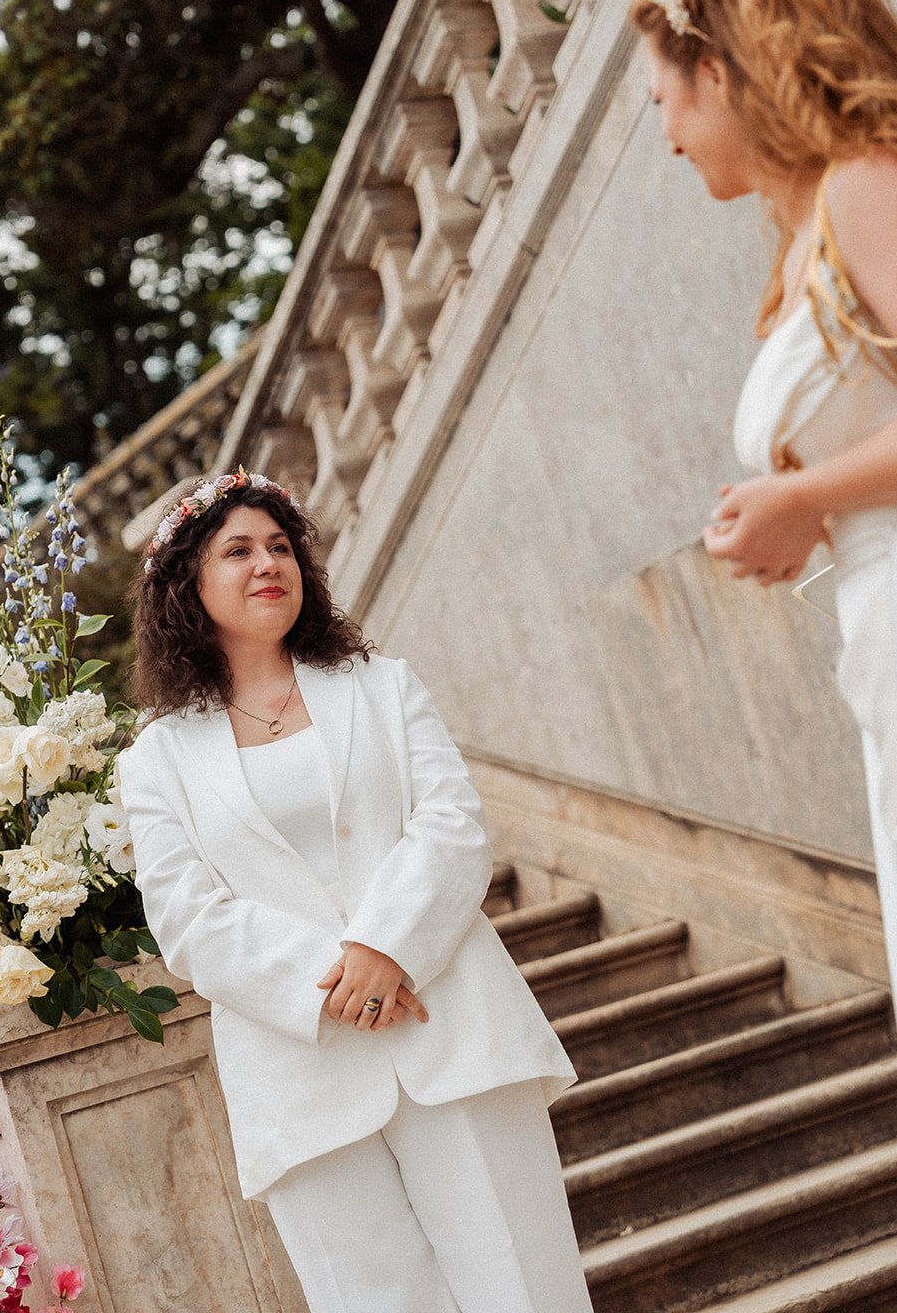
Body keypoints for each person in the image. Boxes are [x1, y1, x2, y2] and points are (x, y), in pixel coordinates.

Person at [630, 0, 897, 1312]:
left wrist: (805, 497)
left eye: (666, 97)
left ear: (720, 71)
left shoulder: (866, 184)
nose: (665, 134)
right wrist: (805, 509)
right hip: (893, 640)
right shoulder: (798, 240)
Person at [118, 468, 592, 1313]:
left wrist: (386, 947)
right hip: (297, 1072)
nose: (269, 563)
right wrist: (335, 977)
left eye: (280, 546)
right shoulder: (154, 760)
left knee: (525, 1286)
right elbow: (188, 918)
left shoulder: (382, 685)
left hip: (451, 1028)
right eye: (238, 551)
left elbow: (451, 824)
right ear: (187, 586)